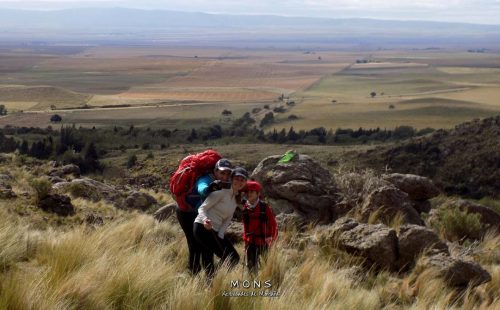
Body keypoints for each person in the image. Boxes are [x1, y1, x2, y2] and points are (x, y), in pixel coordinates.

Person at [176, 158, 233, 274]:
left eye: (228, 173)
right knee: (194, 244)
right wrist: (210, 188)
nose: (225, 176)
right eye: (222, 172)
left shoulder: (225, 183)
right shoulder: (206, 179)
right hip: (187, 213)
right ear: (215, 171)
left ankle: (208, 276)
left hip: (201, 213)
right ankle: (194, 275)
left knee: (206, 246)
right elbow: (202, 189)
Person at [193, 167, 248, 276]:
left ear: (245, 182)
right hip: (202, 228)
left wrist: (220, 236)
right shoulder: (221, 191)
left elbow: (228, 219)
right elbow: (202, 208)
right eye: (237, 178)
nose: (239, 182)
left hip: (214, 230)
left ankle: (210, 283)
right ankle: (217, 280)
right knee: (232, 258)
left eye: (242, 180)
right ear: (231, 179)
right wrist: (205, 220)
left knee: (209, 260)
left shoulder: (236, 197)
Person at [242, 181, 278, 273]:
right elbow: (245, 225)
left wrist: (273, 239)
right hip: (250, 242)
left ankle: (271, 281)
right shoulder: (245, 208)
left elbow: (273, 224)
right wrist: (245, 240)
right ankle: (253, 284)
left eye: (252, 192)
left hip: (264, 242)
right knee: (251, 267)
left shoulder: (264, 207)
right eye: (248, 192)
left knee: (268, 265)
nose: (249, 194)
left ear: (258, 194)